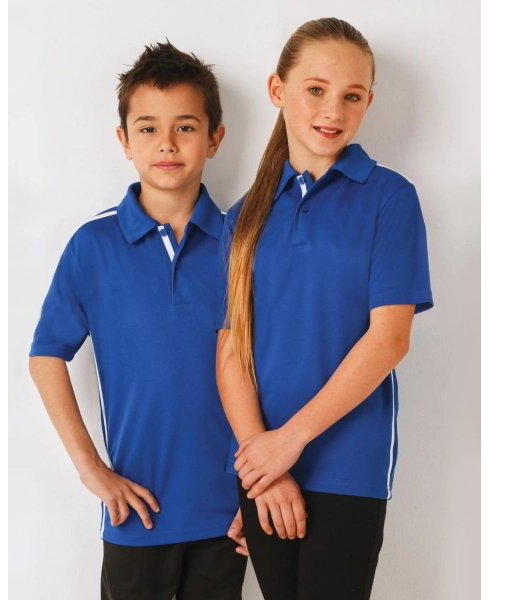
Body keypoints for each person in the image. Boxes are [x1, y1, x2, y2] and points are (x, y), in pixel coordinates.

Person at [216, 17, 434, 600]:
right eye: (316, 89)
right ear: (277, 89)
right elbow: (232, 349)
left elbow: (390, 338)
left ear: (369, 102)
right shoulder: (242, 218)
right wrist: (261, 462)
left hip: (347, 466)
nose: (333, 110)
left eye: (352, 96)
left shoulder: (389, 198)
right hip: (261, 466)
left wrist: (288, 442)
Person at [29, 41, 249, 600]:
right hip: (136, 510)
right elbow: (46, 355)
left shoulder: (243, 248)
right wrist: (90, 469)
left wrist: (259, 486)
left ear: (215, 138)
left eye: (186, 127)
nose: (167, 143)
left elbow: (268, 369)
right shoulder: (93, 246)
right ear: (124, 140)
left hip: (227, 512)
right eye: (148, 128)